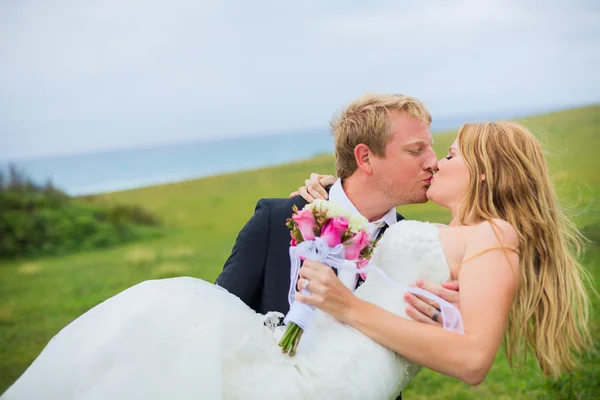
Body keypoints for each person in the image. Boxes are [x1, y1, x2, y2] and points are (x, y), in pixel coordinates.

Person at [1, 121, 591, 399]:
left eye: (452, 154)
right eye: (428, 151)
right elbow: (391, 271)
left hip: (331, 384)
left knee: (163, 327)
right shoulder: (462, 237)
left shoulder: (498, 236)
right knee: (160, 322)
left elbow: (472, 363)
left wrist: (348, 306)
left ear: (484, 170)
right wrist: (324, 202)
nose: (437, 163)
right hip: (318, 366)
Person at [215, 93, 456, 324]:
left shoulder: (413, 245)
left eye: (430, 148)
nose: (433, 162)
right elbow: (218, 319)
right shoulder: (276, 220)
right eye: (415, 150)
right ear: (365, 158)